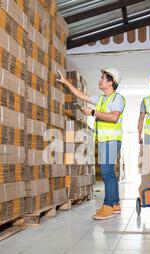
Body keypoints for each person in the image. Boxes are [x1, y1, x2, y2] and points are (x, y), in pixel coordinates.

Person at [57, 68, 126, 220]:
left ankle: (107, 206)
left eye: (102, 78)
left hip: (112, 140)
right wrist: (66, 82)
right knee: (110, 174)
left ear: (110, 82)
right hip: (103, 140)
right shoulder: (101, 99)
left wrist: (93, 113)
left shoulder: (117, 99)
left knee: (107, 173)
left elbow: (114, 117)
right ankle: (115, 205)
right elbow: (81, 95)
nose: (100, 80)